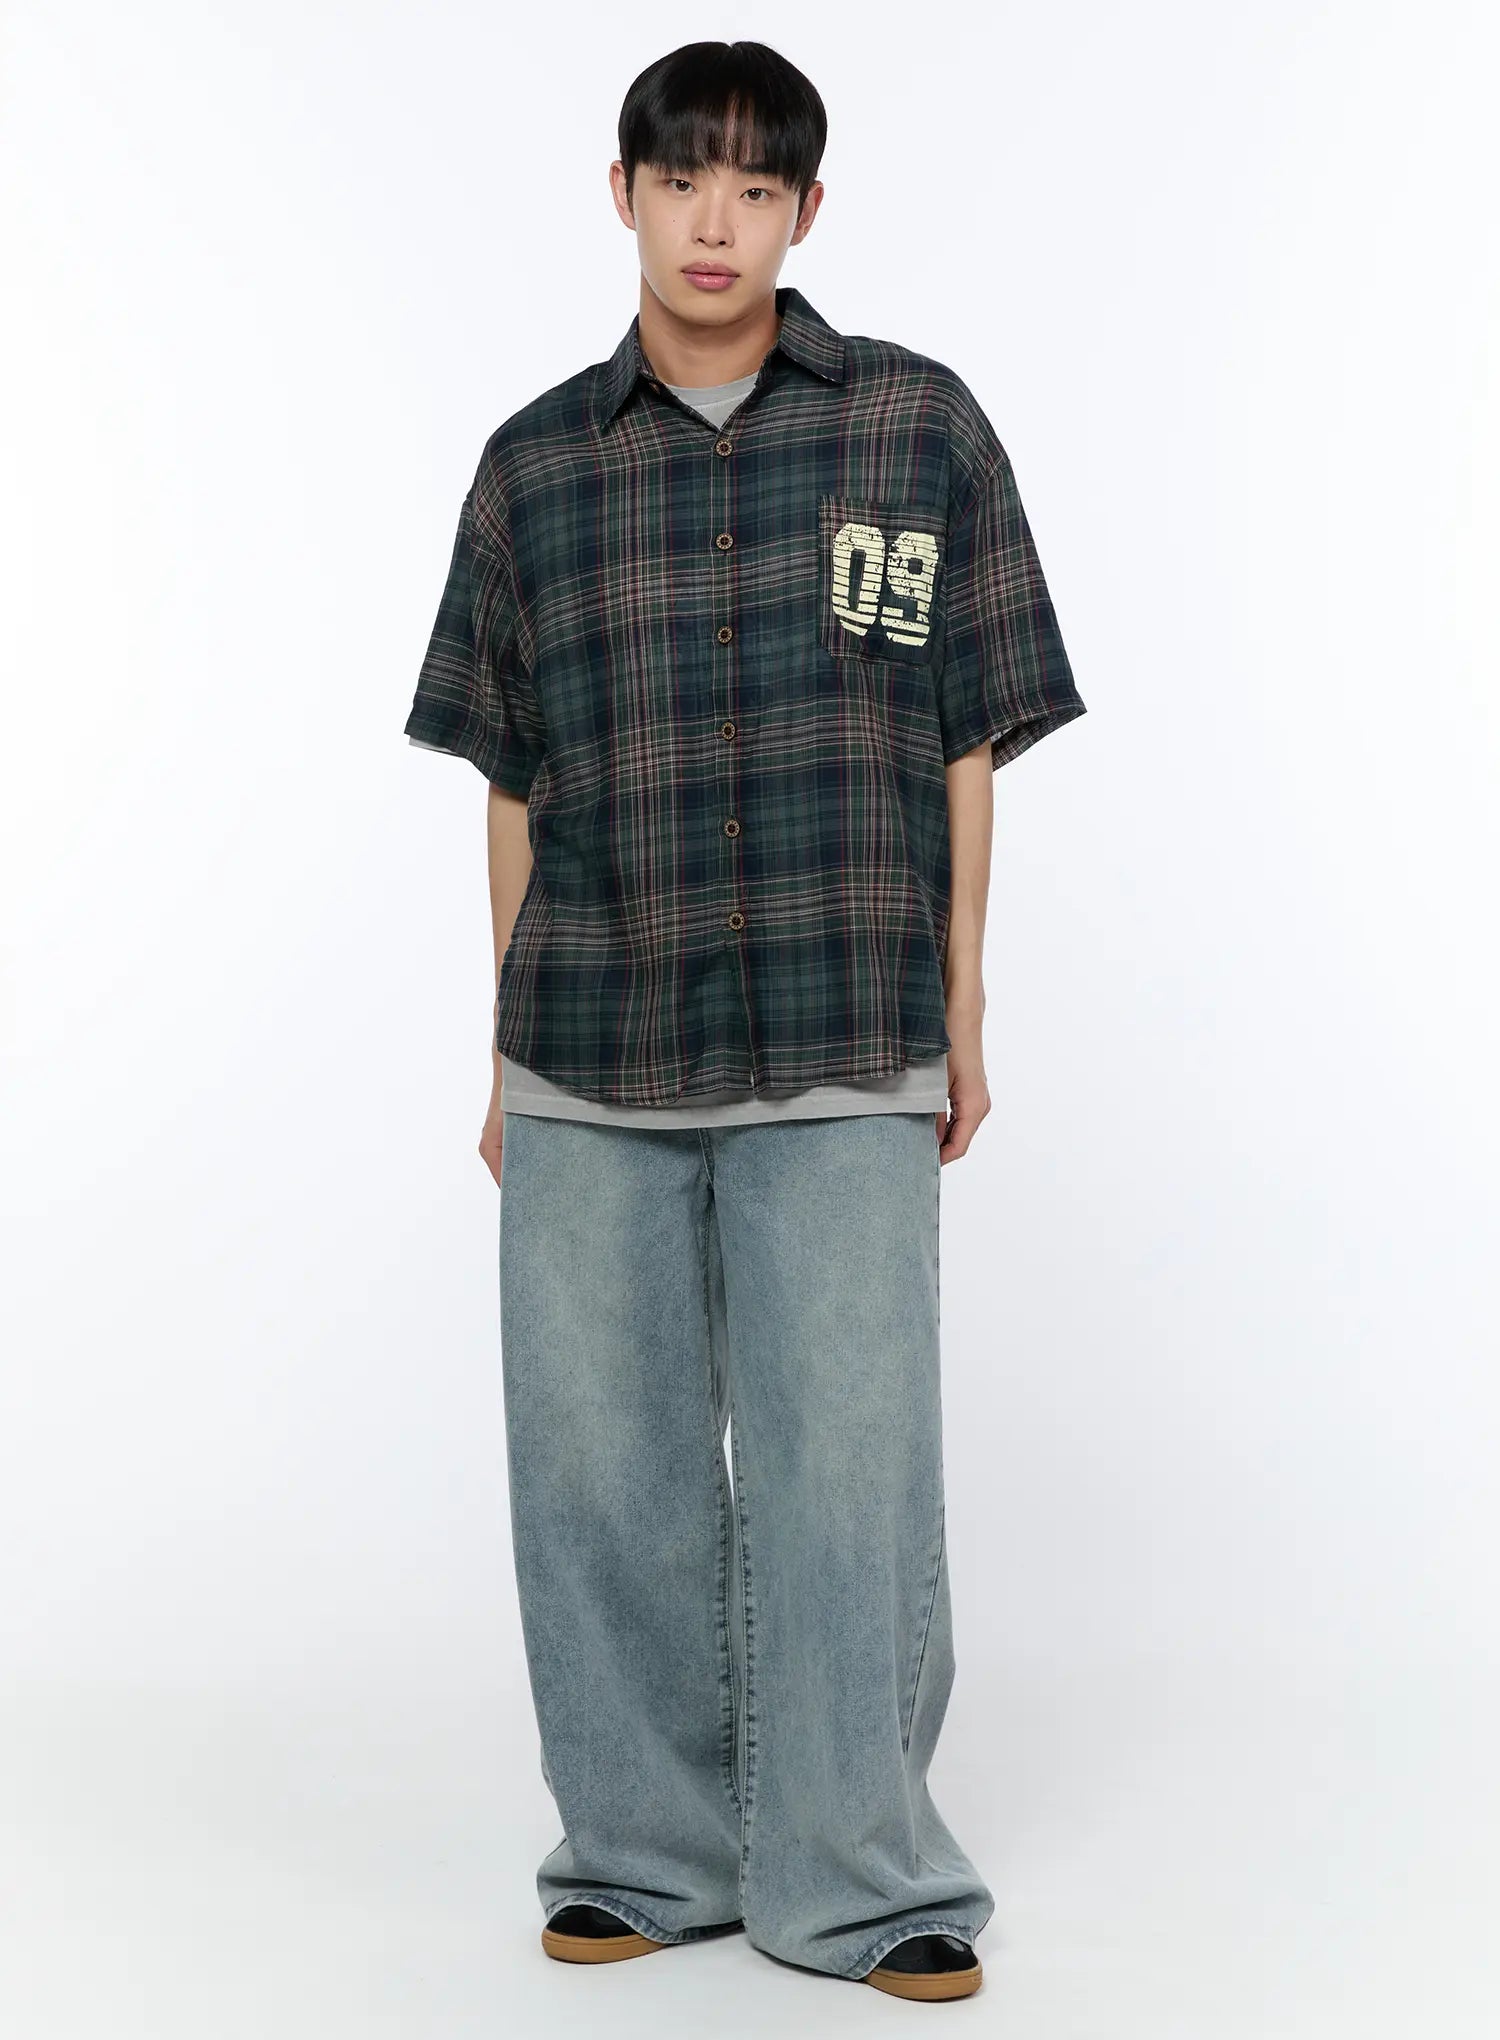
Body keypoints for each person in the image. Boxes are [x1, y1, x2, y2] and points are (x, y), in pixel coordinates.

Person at [403, 39, 1086, 2005]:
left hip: (847, 1013)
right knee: (598, 1470)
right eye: (683, 179)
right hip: (588, 1033)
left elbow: (967, 737)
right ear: (619, 193)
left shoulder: (916, 430)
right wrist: (505, 1048)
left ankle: (859, 1875)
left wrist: (962, 1000)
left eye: (757, 187)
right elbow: (511, 779)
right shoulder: (533, 468)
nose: (718, 221)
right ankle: (647, 1851)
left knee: (847, 1468)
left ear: (806, 212)